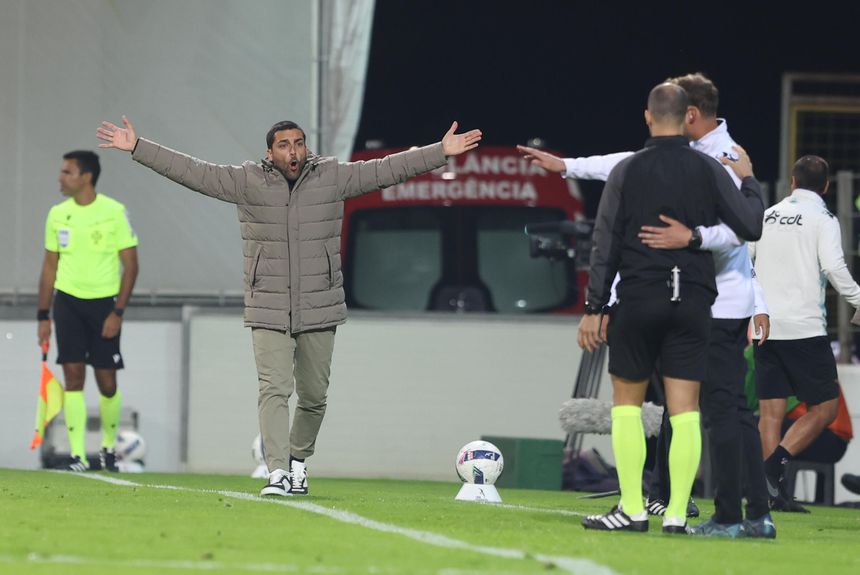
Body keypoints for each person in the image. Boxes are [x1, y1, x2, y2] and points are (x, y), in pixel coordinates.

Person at [96, 116, 481, 496]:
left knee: (314, 396)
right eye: (284, 145)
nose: (293, 151)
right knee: (273, 390)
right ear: (270, 152)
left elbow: (386, 170)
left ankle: (298, 460)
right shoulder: (247, 181)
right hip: (269, 305)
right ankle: (277, 471)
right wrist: (138, 147)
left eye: (298, 143)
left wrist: (439, 152)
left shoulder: (332, 176)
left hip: (320, 304)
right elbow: (194, 172)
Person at [522, 73, 775, 537]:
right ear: (686, 119)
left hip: (639, 299)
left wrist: (595, 305)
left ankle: (635, 509)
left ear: (648, 117)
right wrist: (751, 181)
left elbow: (605, 242)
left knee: (627, 405)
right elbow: (751, 226)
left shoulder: (630, 169)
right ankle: (676, 514)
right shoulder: (712, 168)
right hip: (695, 303)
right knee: (686, 410)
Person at [749, 154, 860, 511]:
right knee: (825, 409)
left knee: (771, 413)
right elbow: (833, 265)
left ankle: (771, 494)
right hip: (804, 328)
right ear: (826, 187)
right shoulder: (823, 218)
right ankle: (773, 465)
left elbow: (746, 264)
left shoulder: (766, 215)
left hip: (763, 326)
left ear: (792, 182)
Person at [37, 150, 139, 472]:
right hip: (67, 303)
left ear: (86, 177)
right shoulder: (57, 214)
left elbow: (132, 266)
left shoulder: (114, 212)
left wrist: (117, 312)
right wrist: (43, 315)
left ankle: (108, 449)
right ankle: (78, 455)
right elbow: (49, 267)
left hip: (104, 305)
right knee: (73, 376)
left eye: (67, 172)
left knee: (106, 381)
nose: (60, 178)